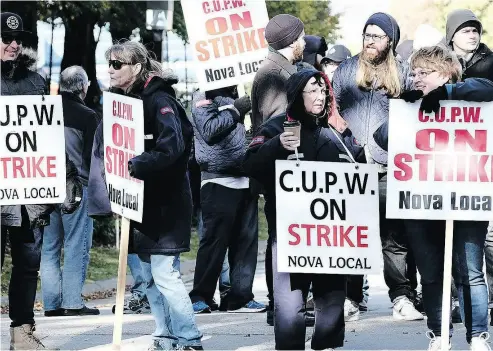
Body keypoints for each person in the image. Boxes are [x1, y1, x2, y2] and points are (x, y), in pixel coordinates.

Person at [377, 45, 491, 351]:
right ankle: (439, 334)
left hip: (467, 199)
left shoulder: (470, 95)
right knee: (430, 275)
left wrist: (448, 92)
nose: (416, 78)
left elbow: (487, 87)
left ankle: (478, 335)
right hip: (421, 203)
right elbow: (381, 138)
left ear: (447, 73)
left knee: (470, 272)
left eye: (424, 73)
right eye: (413, 72)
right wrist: (406, 112)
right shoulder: (411, 105)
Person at [244, 67, 362, 350]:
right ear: (298, 95)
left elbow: (359, 166)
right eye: (312, 90)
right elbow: (249, 164)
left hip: (330, 232)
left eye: (322, 90)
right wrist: (275, 146)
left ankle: (327, 344)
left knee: (332, 298)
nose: (319, 96)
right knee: (290, 302)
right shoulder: (276, 128)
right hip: (290, 232)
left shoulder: (335, 131)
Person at [97, 40, 203, 350]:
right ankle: (164, 335)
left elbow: (173, 148)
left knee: (164, 274)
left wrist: (139, 163)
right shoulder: (122, 100)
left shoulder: (160, 101)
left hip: (165, 205)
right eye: (110, 63)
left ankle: (189, 339)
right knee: (150, 278)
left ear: (137, 67)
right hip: (139, 203)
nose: (111, 69)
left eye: (118, 64)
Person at [332, 12, 423, 322]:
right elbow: (335, 110)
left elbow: (415, 115)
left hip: (390, 167)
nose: (370, 40)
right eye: (366, 34)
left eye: (377, 36)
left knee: (394, 239)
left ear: (390, 41)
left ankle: (402, 297)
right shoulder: (346, 70)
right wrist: (346, 142)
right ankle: (351, 299)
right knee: (353, 236)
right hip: (353, 166)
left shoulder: (405, 72)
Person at [1, 11, 82, 350]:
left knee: (27, 264)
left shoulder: (36, 82)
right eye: (6, 38)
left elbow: (47, 135)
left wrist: (64, 179)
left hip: (28, 193)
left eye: (17, 39)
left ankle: (22, 332)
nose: (13, 44)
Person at [189, 86, 264, 314]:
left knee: (245, 245)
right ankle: (200, 296)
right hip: (217, 180)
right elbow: (209, 129)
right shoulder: (203, 96)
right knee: (214, 243)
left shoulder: (240, 89)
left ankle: (239, 298)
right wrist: (235, 110)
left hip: (245, 178)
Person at [250, 13, 305, 326]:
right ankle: (281, 307)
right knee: (281, 239)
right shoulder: (274, 73)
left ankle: (287, 304)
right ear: (290, 40)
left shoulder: (282, 69)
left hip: (286, 169)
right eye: (300, 36)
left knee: (287, 237)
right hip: (282, 170)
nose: (304, 41)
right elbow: (277, 126)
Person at [40, 66, 100, 317]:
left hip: (44, 186)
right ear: (83, 87)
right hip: (76, 188)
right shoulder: (87, 115)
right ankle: (73, 302)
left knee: (49, 246)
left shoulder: (43, 111)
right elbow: (91, 158)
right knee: (76, 244)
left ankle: (51, 304)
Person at [446, 9, 493, 82]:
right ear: (452, 36)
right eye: (466, 31)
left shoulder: (490, 63)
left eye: (475, 31)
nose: (472, 36)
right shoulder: (439, 63)